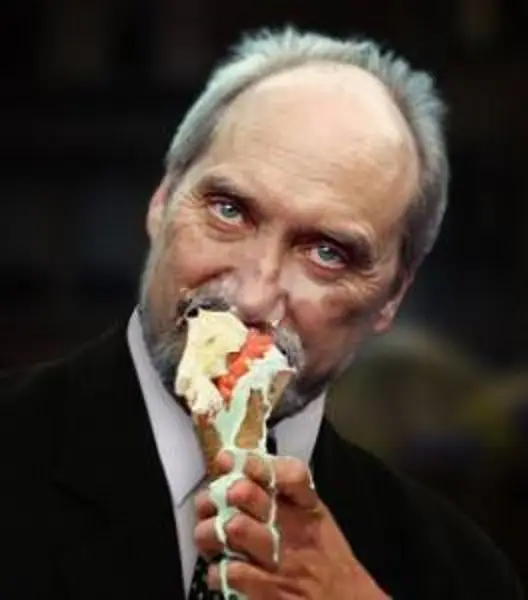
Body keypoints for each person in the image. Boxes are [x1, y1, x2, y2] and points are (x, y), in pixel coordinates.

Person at [0, 27, 523, 600]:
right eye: (228, 211)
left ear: (393, 297)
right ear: (162, 200)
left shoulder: (462, 575)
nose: (251, 298)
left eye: (327, 253)